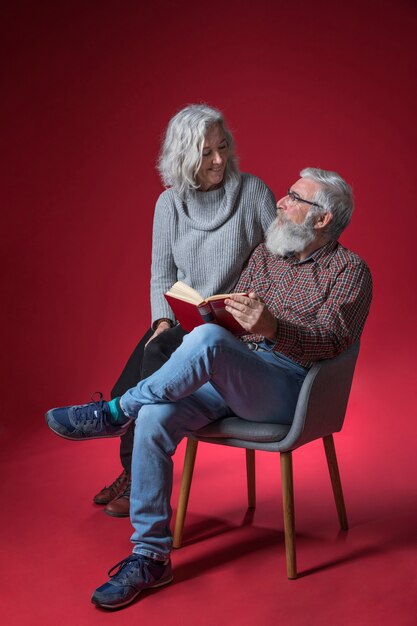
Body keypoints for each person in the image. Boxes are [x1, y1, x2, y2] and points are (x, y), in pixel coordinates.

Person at [46, 167, 373, 610]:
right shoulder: (265, 256)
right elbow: (232, 328)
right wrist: (209, 315)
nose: (280, 200)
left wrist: (274, 328)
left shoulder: (351, 271)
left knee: (208, 344)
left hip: (292, 392)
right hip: (237, 372)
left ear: (321, 220)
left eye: (295, 197)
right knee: (157, 416)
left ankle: (116, 411)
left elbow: (334, 341)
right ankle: (150, 557)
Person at [93, 104, 277, 517]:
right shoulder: (169, 204)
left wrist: (255, 306)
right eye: (206, 152)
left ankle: (138, 481)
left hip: (231, 329)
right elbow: (161, 275)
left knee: (154, 362)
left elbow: (281, 260)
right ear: (183, 157)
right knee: (132, 376)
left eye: (223, 147)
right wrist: (161, 322)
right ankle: (133, 472)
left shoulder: (253, 193)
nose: (218, 159)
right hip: (182, 318)